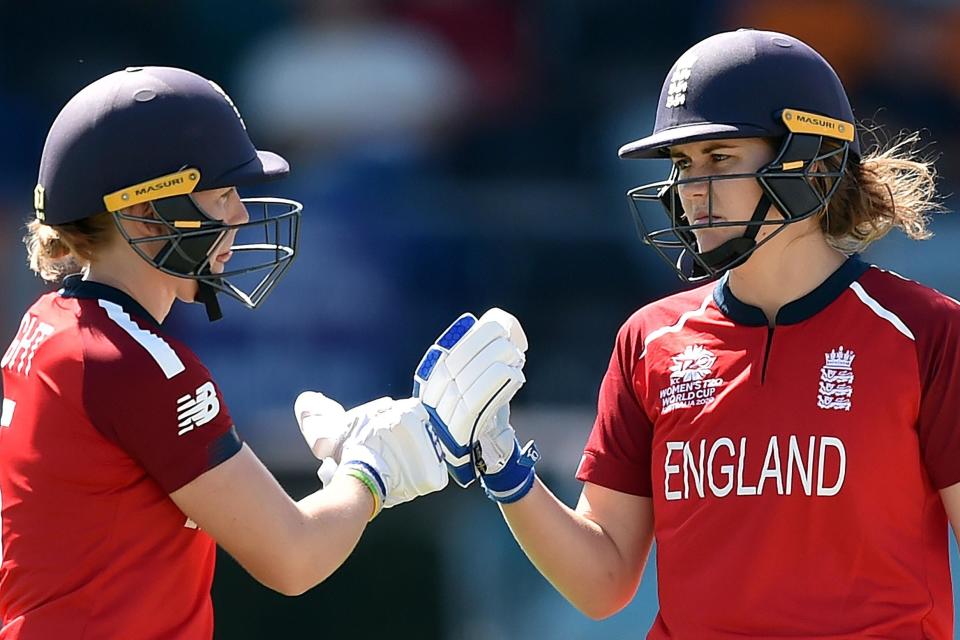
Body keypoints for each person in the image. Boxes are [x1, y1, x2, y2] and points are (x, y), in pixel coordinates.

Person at [423, 29, 958, 638]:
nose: (688, 190)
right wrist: (502, 464)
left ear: (810, 162)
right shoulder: (649, 339)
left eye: (719, 159)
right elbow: (603, 582)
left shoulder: (927, 333)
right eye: (682, 163)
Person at [0, 66, 462, 639]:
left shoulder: (46, 325)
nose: (240, 215)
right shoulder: (138, 364)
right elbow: (293, 556)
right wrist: (371, 473)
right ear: (144, 213)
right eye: (221, 195)